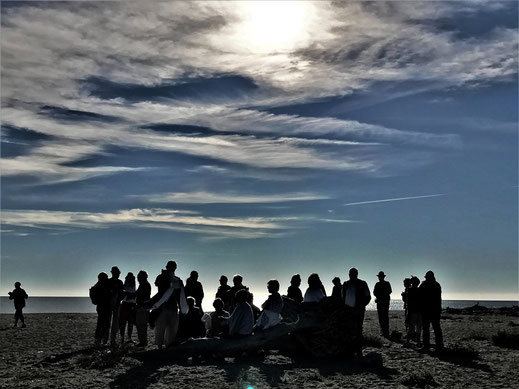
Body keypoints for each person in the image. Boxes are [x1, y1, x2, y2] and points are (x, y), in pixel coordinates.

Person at [150, 260, 189, 349]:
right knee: (162, 327)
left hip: (171, 307)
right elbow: (159, 285)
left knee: (169, 328)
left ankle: (167, 346)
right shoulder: (163, 278)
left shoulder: (176, 280)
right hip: (163, 307)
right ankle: (162, 346)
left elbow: (179, 294)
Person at [342, 268, 371, 358]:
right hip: (348, 311)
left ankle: (358, 350)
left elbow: (368, 296)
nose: (352, 275)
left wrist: (361, 306)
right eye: (351, 274)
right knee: (349, 330)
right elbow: (342, 297)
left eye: (354, 273)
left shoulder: (362, 283)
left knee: (358, 329)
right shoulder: (346, 284)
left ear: (357, 274)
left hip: (358, 310)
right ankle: (350, 351)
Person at [419, 270, 443, 352]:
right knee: (436, 328)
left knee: (426, 328)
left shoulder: (424, 285)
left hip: (426, 310)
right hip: (435, 310)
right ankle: (439, 345)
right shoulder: (437, 285)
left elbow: (419, 297)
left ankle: (427, 345)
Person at [90, 272, 111, 346]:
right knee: (104, 324)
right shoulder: (101, 287)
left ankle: (98, 340)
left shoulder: (97, 286)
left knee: (101, 324)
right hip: (104, 307)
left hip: (101, 307)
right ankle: (99, 340)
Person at [119, 272, 137, 345]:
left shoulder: (127, 286)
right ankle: (124, 338)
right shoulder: (127, 286)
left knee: (128, 322)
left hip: (127, 305)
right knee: (127, 322)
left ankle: (125, 338)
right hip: (128, 305)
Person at [108, 266, 124, 347]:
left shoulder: (118, 282)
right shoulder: (109, 282)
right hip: (111, 305)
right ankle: (110, 340)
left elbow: (122, 295)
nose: (117, 274)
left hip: (115, 305)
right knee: (109, 323)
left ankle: (112, 340)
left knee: (114, 323)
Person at [135, 270, 151, 347]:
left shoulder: (144, 285)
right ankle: (143, 342)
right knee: (142, 326)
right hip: (143, 307)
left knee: (141, 325)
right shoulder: (144, 285)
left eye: (138, 277)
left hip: (142, 307)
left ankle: (143, 342)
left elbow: (138, 295)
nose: (137, 279)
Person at [373, 271, 392, 338]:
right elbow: (389, 291)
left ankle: (384, 331)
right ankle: (384, 331)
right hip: (384, 302)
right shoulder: (386, 283)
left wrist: (380, 296)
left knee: (382, 317)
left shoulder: (378, 284)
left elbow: (375, 293)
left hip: (382, 302)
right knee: (383, 317)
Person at [405, 276, 422, 347]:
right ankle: (418, 342)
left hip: (413, 311)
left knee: (411, 327)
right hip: (420, 311)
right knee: (419, 327)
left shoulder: (410, 290)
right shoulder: (420, 290)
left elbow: (408, 301)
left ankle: (408, 342)